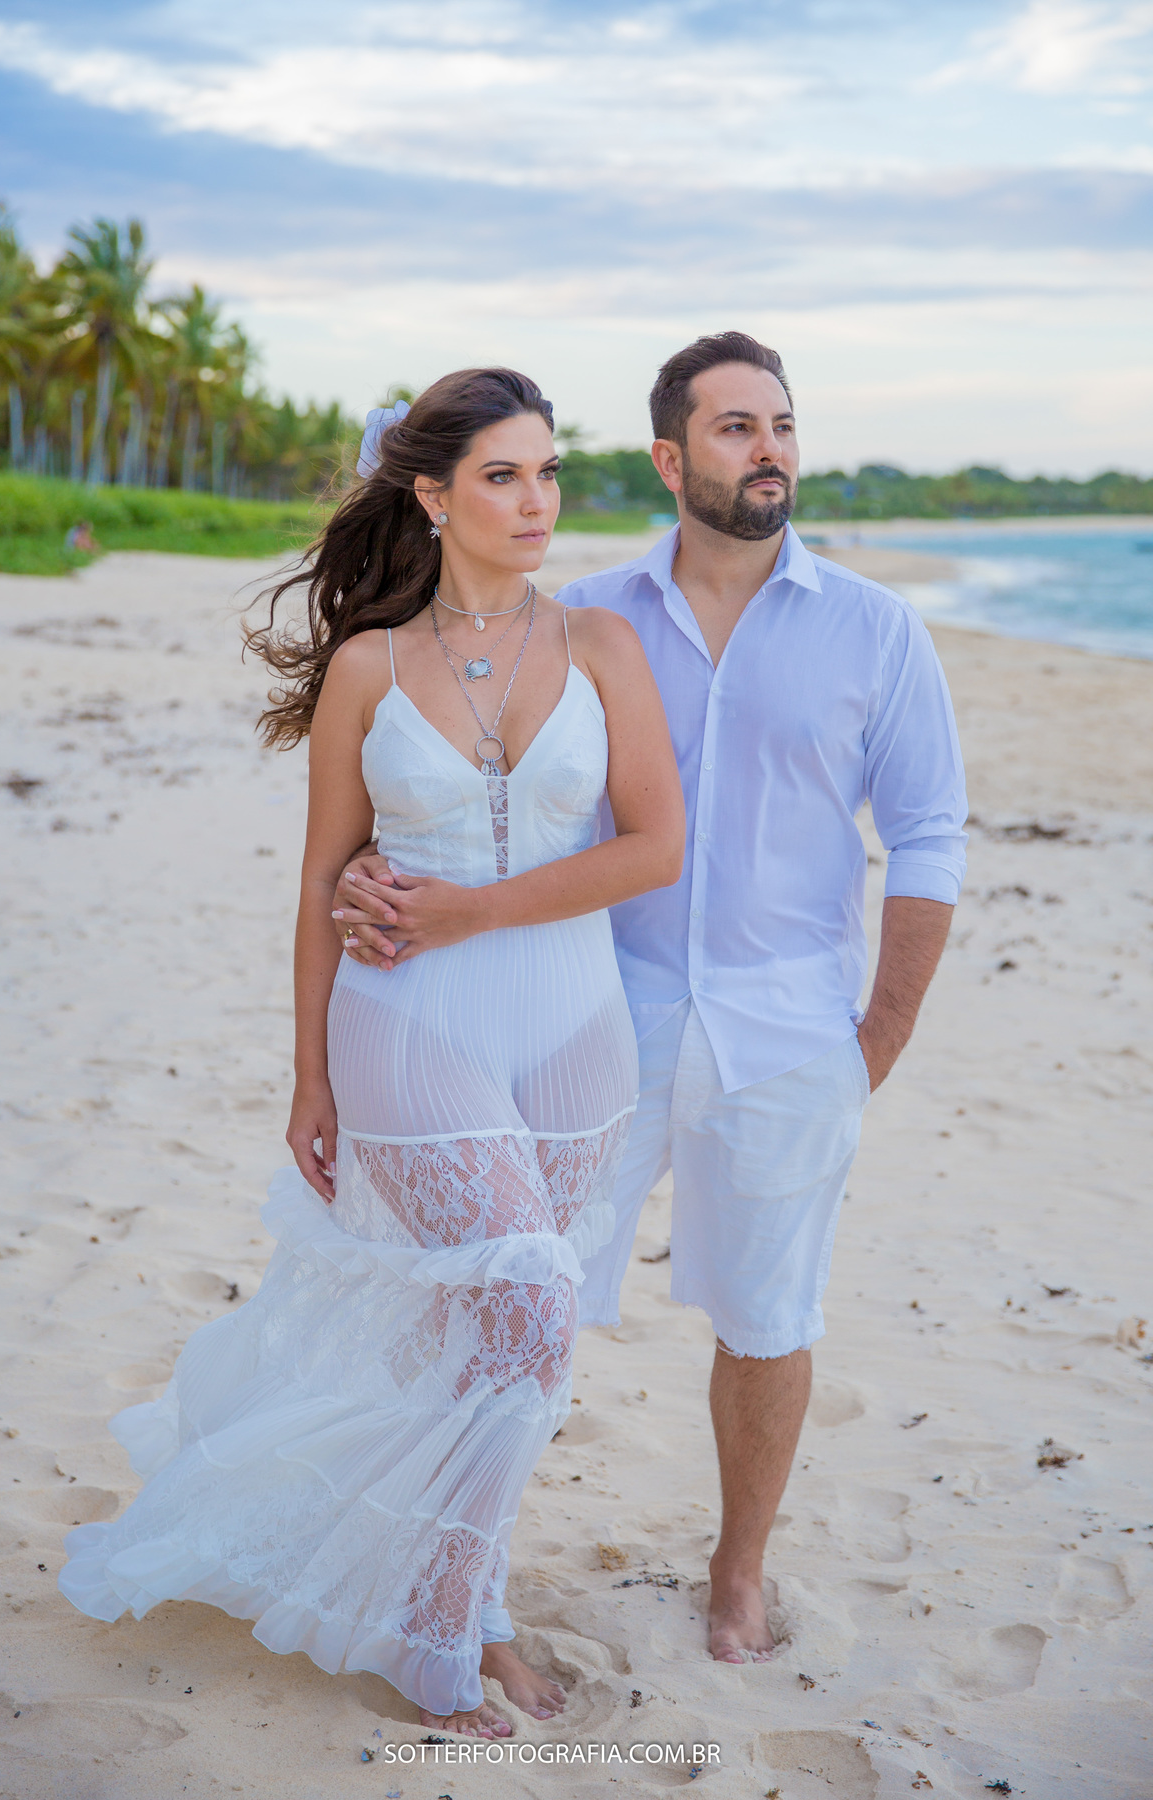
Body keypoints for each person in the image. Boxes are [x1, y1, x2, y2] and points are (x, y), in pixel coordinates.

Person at [57, 370, 684, 1738]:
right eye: (505, 475)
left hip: (578, 1030)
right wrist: (310, 1076)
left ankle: (476, 1594)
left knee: (505, 1342)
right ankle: (444, 1633)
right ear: (434, 496)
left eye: (549, 471)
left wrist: (474, 910)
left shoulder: (603, 646)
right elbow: (319, 879)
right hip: (405, 1022)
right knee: (525, 1303)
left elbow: (656, 848)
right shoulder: (367, 668)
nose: (537, 501)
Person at [333, 331, 968, 1668]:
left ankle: (738, 1574)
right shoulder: (585, 619)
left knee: (770, 1318)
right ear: (672, 460)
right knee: (517, 1306)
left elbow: (928, 839)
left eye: (781, 424)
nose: (770, 449)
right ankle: (470, 1587)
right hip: (589, 1023)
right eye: (737, 428)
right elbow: (478, 781)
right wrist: (367, 877)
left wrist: (879, 1037)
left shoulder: (877, 629)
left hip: (790, 1036)